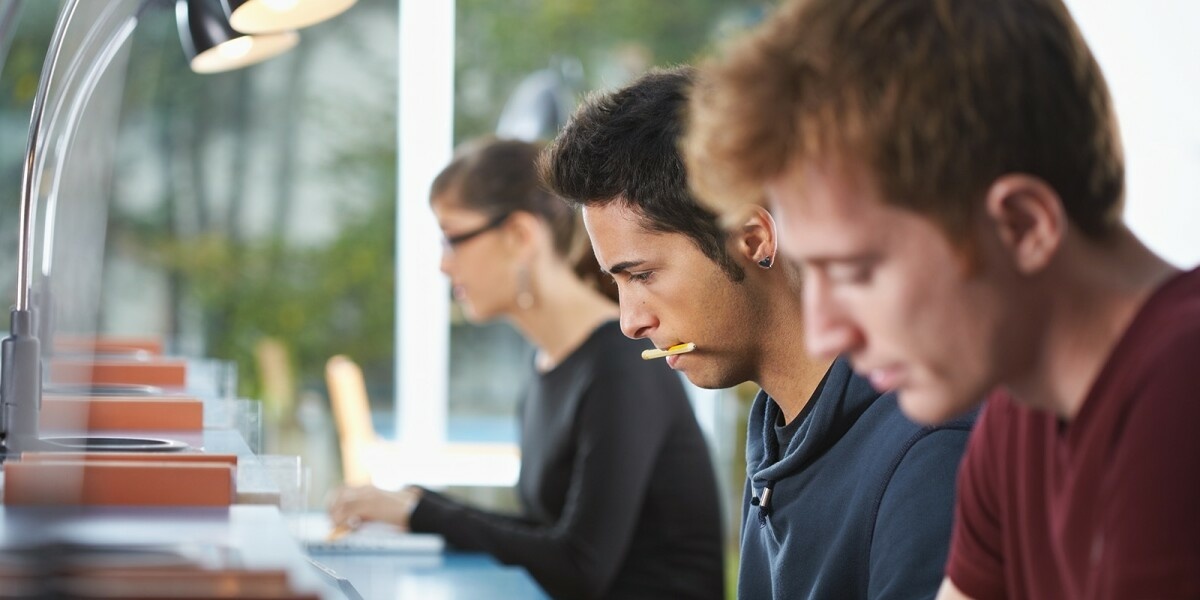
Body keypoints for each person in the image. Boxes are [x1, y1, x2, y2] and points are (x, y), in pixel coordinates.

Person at [685, 1, 1200, 598]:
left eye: (854, 271)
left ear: (1022, 227)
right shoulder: (1020, 415)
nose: (824, 333)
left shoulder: (1179, 394)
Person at [541, 66, 973, 600]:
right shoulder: (777, 434)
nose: (631, 322)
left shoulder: (931, 452)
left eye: (643, 275)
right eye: (619, 283)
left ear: (752, 238)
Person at [328, 138, 724, 600]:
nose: (442, 263)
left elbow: (579, 566)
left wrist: (421, 514)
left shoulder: (621, 365)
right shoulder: (547, 360)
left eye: (453, 238)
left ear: (520, 235)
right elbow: (546, 532)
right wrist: (416, 502)